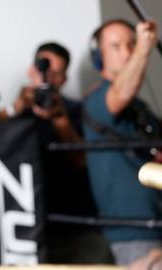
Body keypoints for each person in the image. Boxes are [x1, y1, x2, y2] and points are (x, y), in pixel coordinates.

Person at [0, 42, 110, 263]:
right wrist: (15, 108)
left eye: (56, 73)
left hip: (76, 226)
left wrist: (60, 119)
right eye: (43, 70)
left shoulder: (77, 110)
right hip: (25, 230)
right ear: (32, 71)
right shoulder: (16, 111)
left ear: (64, 79)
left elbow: (83, 161)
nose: (47, 78)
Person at [84, 18, 162, 265]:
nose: (128, 52)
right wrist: (144, 47)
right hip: (135, 234)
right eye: (116, 46)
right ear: (99, 57)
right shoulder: (97, 101)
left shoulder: (140, 108)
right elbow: (122, 92)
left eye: (132, 44)